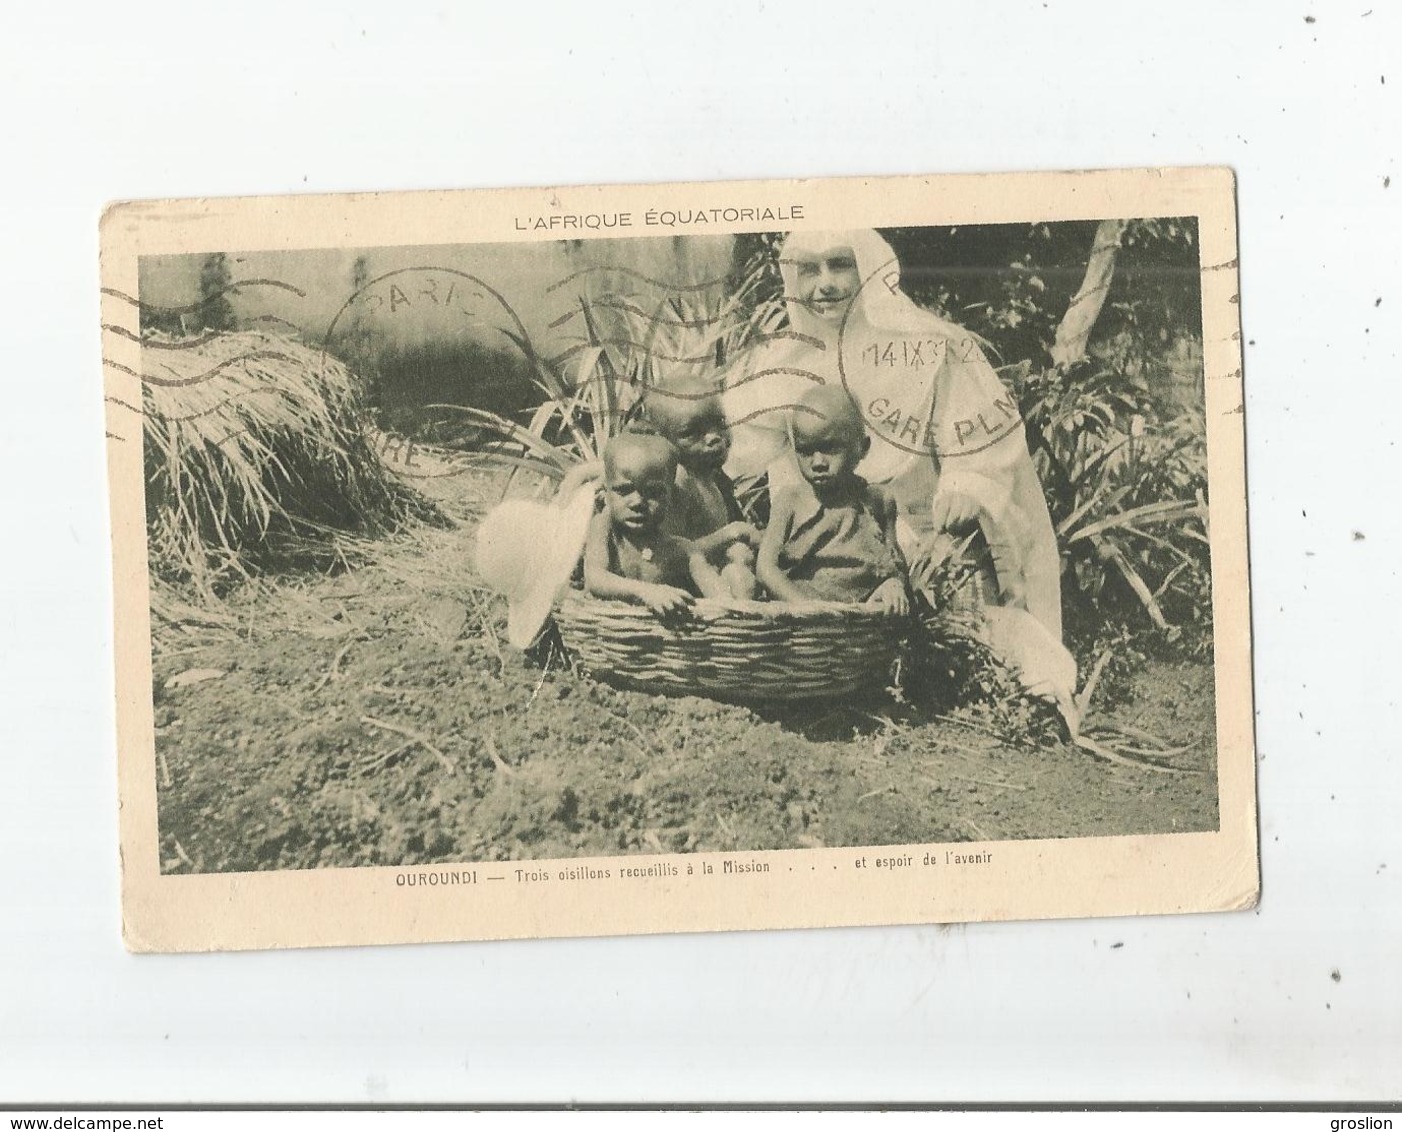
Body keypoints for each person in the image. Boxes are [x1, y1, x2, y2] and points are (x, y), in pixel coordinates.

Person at [723, 228, 1063, 642]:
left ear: (869, 266)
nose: (824, 284)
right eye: (809, 270)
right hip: (818, 540)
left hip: (922, 525)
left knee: (957, 622)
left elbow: (978, 429)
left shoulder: (930, 345)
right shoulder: (784, 357)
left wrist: (965, 484)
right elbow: (738, 447)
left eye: (840, 264)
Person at [756, 386, 910, 614]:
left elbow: (894, 560)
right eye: (805, 451)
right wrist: (806, 608)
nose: (818, 462)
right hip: (802, 620)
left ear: (862, 448)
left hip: (862, 619)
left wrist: (892, 584)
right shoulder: (790, 501)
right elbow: (766, 568)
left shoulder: (877, 500)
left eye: (830, 448)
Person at [641, 378, 759, 599]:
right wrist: (729, 535)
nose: (714, 438)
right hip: (684, 589)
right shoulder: (679, 482)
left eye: (721, 423)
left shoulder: (712, 476)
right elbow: (669, 555)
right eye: (691, 432)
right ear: (661, 441)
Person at [582, 433, 704, 618]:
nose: (638, 502)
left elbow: (717, 591)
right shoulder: (605, 527)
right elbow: (595, 577)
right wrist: (647, 592)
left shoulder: (680, 549)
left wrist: (730, 604)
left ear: (671, 496)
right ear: (606, 491)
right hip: (609, 630)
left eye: (653, 493)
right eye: (624, 490)